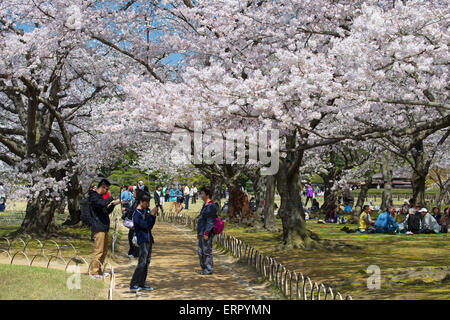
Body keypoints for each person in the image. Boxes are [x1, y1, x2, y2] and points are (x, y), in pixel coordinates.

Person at [88, 179, 121, 279]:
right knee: (98, 250)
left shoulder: (100, 198)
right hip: (98, 227)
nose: (107, 191)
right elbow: (101, 204)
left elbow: (105, 211)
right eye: (106, 189)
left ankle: (99, 270)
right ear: (102, 187)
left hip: (104, 226)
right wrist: (110, 198)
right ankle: (93, 272)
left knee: (104, 250)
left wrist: (113, 205)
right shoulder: (93, 196)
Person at [129, 194, 157, 292]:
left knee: (147, 262)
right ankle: (134, 283)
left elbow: (150, 226)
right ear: (141, 202)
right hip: (142, 239)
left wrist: (153, 216)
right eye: (146, 202)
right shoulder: (136, 214)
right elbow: (144, 225)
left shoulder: (144, 211)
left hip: (148, 239)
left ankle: (142, 282)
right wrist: (151, 216)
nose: (147, 204)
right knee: (142, 262)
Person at [196, 187, 218, 275]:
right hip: (201, 231)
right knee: (200, 251)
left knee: (206, 251)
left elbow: (210, 221)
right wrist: (199, 232)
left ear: (207, 195)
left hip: (206, 232)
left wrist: (206, 232)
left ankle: (208, 269)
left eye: (202, 194)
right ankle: (203, 268)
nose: (201, 195)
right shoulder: (205, 205)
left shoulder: (211, 206)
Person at [123, 188, 144, 258]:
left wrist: (126, 209)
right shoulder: (136, 201)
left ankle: (135, 253)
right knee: (131, 237)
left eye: (134, 192)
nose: (133, 194)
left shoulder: (138, 202)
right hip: (135, 222)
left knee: (133, 237)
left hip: (136, 222)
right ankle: (133, 252)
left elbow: (134, 211)